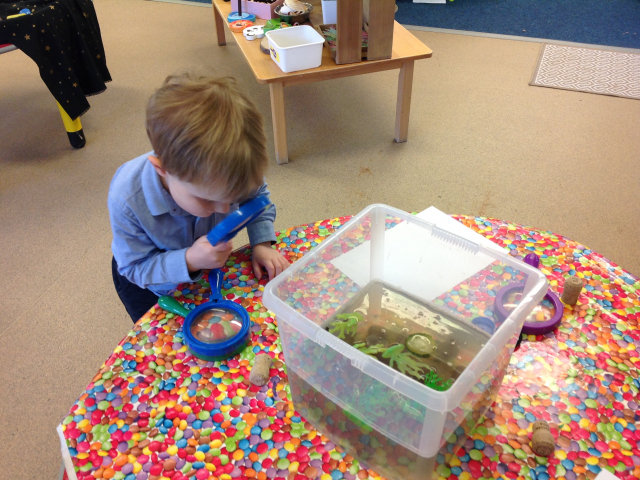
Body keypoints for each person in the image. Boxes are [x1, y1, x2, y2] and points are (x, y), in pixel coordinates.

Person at [108, 71, 289, 322]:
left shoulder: (231, 172)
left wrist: (262, 244)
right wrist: (190, 259)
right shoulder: (126, 199)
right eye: (207, 200)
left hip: (206, 274)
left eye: (233, 196)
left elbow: (257, 199)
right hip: (151, 285)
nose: (225, 208)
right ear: (163, 170)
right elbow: (134, 268)